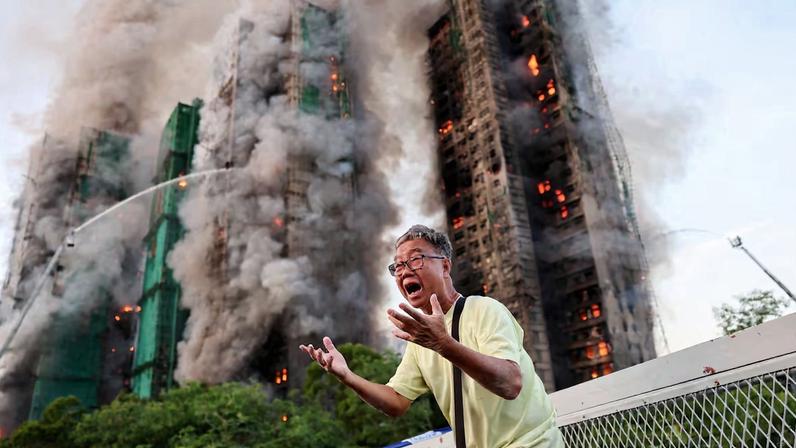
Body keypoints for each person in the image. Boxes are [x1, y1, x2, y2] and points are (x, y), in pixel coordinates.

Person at [300, 225, 563, 447]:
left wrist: (444, 344)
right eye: (398, 266)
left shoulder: (484, 310)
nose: (404, 271)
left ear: (445, 266)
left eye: (415, 259)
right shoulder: (421, 340)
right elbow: (396, 402)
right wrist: (347, 376)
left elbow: (510, 383)